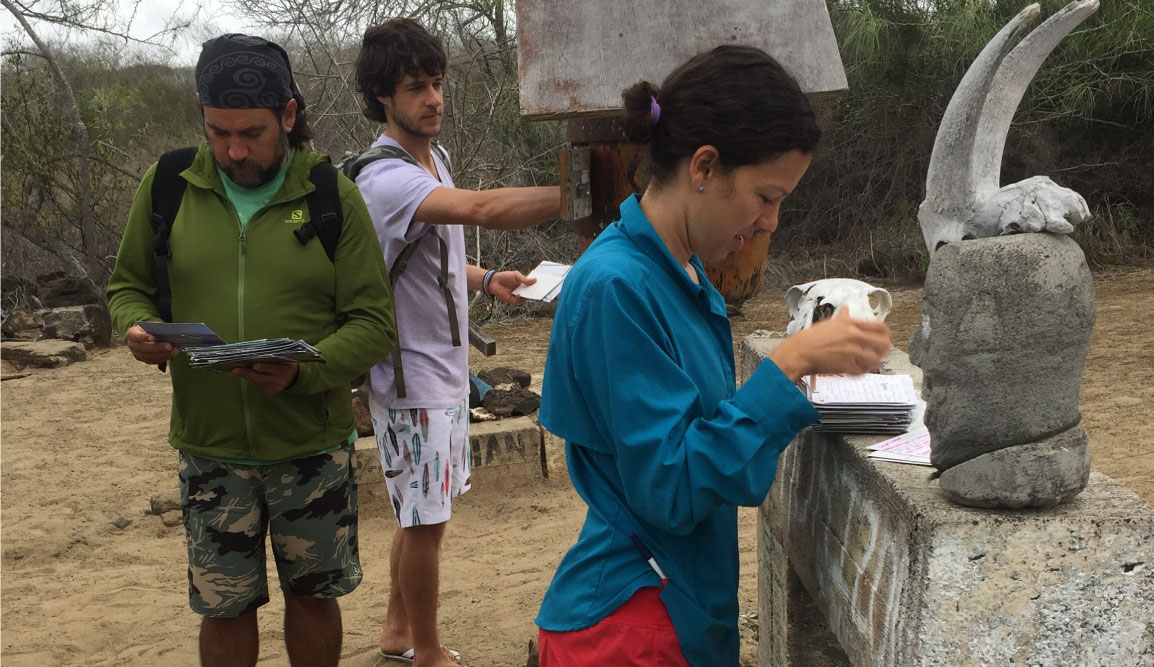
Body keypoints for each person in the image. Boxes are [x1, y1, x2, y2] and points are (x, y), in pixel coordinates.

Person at [534, 45, 893, 667]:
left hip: (678, 604)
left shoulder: (682, 272)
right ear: (704, 166)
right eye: (766, 196)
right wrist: (787, 366)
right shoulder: (618, 288)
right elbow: (670, 488)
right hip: (634, 628)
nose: (771, 222)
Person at [106, 34, 397, 667]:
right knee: (224, 605)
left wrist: (303, 372)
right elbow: (127, 286)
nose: (234, 150)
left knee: (315, 597)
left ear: (288, 116)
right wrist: (138, 327)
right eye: (218, 133)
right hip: (210, 448)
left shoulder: (330, 195)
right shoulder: (167, 186)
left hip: (311, 447)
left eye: (253, 133)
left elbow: (374, 324)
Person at [352, 18, 560, 667]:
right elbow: (480, 209)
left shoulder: (431, 158)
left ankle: (395, 630)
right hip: (408, 377)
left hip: (440, 368)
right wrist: (579, 195)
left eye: (437, 83)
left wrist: (485, 278)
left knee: (419, 513)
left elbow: (430, 257)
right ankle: (427, 648)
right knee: (426, 523)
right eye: (418, 86)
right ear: (384, 95)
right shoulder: (385, 179)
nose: (434, 98)